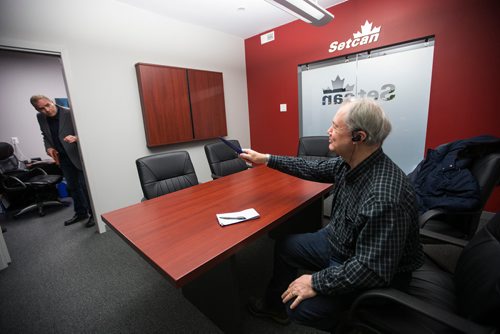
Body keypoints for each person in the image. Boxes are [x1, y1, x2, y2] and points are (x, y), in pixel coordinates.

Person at [241, 97, 424, 332]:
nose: (328, 131)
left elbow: (372, 270)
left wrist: (316, 281)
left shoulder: (383, 196)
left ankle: (354, 326)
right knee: (286, 246)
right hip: (341, 242)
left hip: (368, 266)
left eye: (335, 127)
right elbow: (311, 167)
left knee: (300, 309)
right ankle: (272, 307)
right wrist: (265, 159)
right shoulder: (351, 164)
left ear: (358, 137)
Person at [30, 95, 94, 228]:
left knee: (84, 186)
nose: (46, 110)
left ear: (52, 102)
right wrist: (48, 147)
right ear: (36, 109)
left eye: (48, 105)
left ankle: (93, 214)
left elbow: (88, 131)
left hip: (77, 156)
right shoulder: (40, 117)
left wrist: (76, 137)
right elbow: (45, 135)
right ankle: (81, 213)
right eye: (41, 108)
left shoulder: (69, 113)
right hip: (63, 158)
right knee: (73, 187)